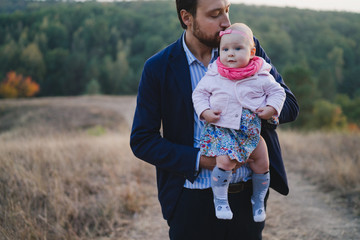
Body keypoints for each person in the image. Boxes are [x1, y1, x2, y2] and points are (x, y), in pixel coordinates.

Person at [130, 0, 299, 239]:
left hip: (246, 199)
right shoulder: (158, 67)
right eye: (215, 14)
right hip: (190, 203)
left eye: (227, 10)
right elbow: (142, 141)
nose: (226, 23)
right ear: (187, 18)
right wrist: (204, 160)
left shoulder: (246, 48)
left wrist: (257, 114)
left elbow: (290, 105)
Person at [192, 23, 286, 222]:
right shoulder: (214, 73)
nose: (230, 54)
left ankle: (258, 200)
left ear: (252, 52)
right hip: (223, 131)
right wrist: (205, 112)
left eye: (237, 48)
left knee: (262, 160)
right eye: (225, 49)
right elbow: (199, 93)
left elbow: (277, 92)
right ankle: (220, 199)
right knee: (224, 161)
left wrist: (271, 108)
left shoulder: (261, 73)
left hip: (251, 131)